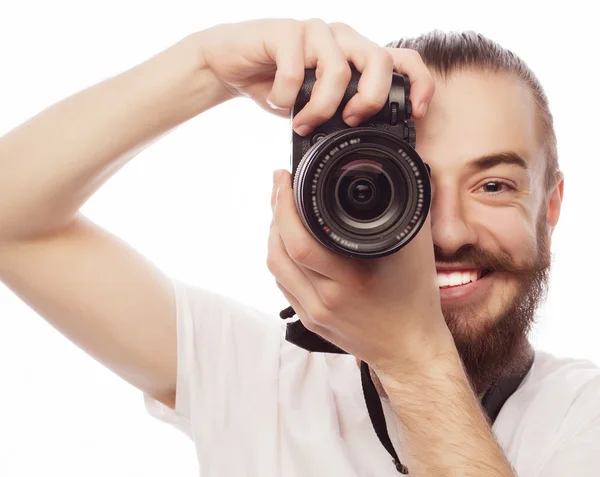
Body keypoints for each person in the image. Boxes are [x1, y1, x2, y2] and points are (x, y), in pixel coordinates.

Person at [0, 17, 598, 477]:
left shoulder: (583, 413)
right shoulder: (259, 378)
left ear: (550, 207)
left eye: (493, 186)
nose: (443, 233)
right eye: (401, 185)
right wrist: (207, 69)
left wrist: (409, 356)